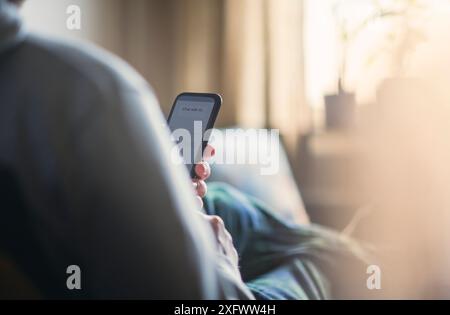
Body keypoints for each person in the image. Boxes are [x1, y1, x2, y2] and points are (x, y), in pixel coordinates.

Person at [0, 0, 367, 299]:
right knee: (309, 264)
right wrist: (221, 258)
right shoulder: (89, 94)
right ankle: (364, 257)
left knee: (227, 205)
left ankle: (357, 249)